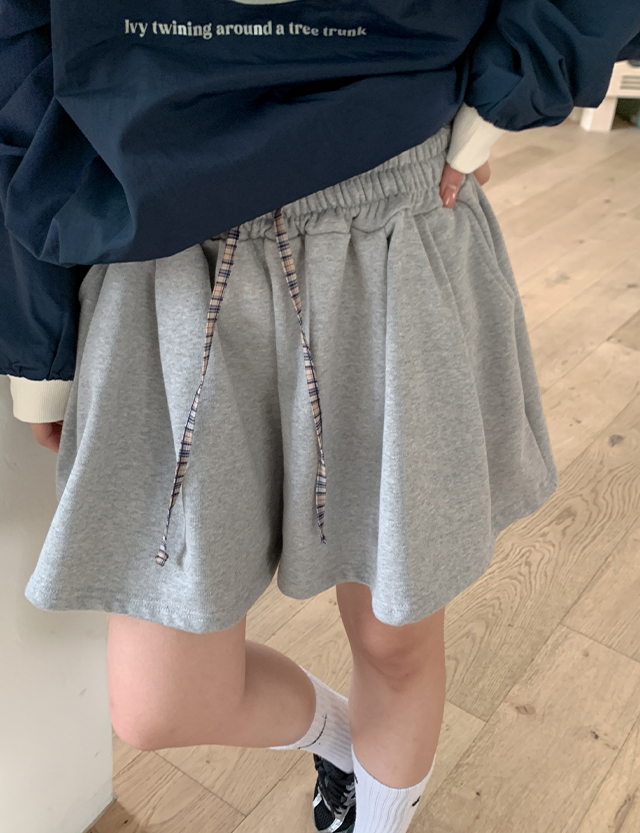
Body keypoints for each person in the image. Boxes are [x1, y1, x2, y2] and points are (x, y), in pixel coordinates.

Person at [2, 2, 640, 832]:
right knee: (162, 704)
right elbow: (15, 51)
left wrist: (508, 89)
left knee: (394, 639)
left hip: (392, 217)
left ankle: (379, 808)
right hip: (158, 247)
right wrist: (39, 342)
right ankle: (344, 743)